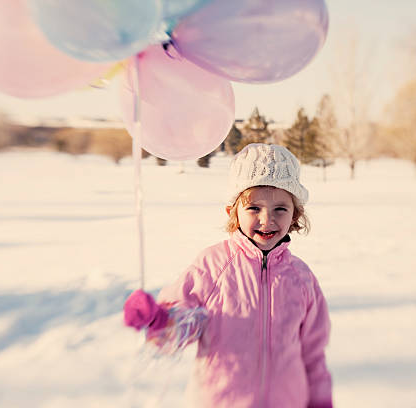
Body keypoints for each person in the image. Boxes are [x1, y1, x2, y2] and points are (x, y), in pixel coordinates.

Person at [123, 143, 333, 408]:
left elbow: (313, 354)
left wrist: (320, 400)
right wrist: (157, 319)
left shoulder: (302, 278)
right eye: (254, 208)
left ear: (295, 215)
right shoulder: (212, 266)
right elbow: (180, 327)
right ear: (232, 212)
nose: (267, 220)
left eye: (280, 208)